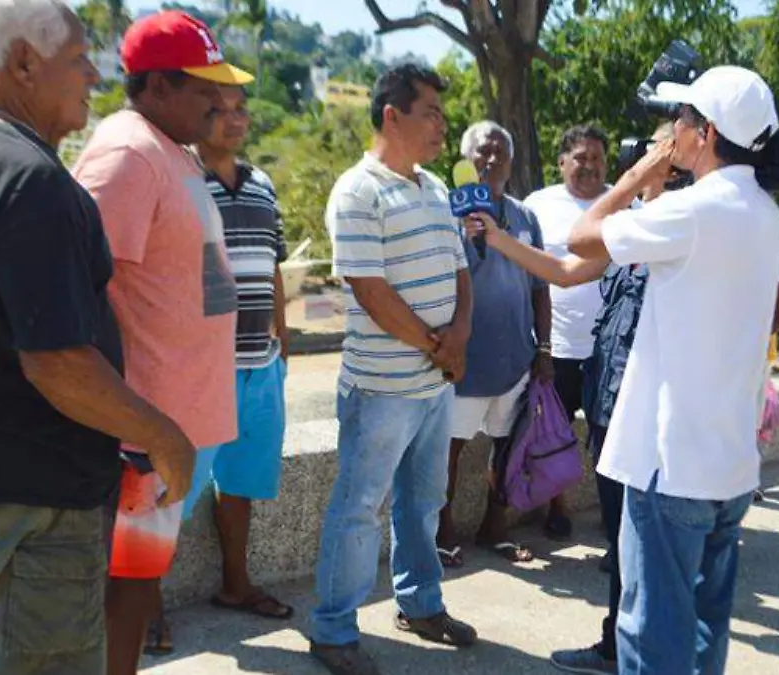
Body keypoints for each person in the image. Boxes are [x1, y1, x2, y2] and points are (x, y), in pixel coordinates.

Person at [0, 0, 195, 672]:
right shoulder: (31, 180)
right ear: (24, 62)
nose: (94, 77)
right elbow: (57, 363)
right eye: (80, 60)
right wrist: (165, 436)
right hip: (26, 496)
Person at [565, 65, 779, 674]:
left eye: (681, 121)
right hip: (730, 464)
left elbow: (583, 238)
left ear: (706, 132)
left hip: (671, 467)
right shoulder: (766, 213)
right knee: (705, 626)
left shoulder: (692, 210)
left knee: (651, 632)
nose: (673, 132)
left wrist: (639, 174)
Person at [70, 10, 252, 674]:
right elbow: (82, 288)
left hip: (170, 429)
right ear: (155, 87)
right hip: (138, 436)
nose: (218, 101)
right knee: (125, 589)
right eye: (204, 88)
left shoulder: (167, 149)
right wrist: (125, 422)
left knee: (140, 583)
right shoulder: (126, 152)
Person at [310, 64, 477, 675]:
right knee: (359, 508)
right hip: (381, 389)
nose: (441, 124)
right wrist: (442, 347)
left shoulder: (434, 188)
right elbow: (371, 293)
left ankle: (421, 603)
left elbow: (462, 273)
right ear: (392, 115)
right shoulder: (358, 191)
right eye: (431, 111)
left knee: (424, 501)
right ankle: (332, 631)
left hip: (433, 387)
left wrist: (457, 336)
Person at [188, 82, 294, 620]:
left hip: (260, 365)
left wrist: (282, 342)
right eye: (217, 109)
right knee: (167, 492)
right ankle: (140, 607)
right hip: (199, 371)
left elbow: (272, 264)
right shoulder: (180, 180)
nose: (233, 119)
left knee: (240, 485)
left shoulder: (262, 185)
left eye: (239, 108)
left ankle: (236, 583)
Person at [436, 120, 554, 569]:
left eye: (499, 152)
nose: (491, 160)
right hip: (466, 362)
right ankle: (442, 531)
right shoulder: (448, 217)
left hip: (516, 360)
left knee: (507, 447)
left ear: (511, 159)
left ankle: (495, 524)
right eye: (482, 152)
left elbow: (542, 288)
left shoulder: (526, 218)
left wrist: (544, 350)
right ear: (466, 161)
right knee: (451, 449)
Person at [521, 124, 613, 541]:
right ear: (561, 163)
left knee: (607, 437)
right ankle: (556, 508)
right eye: (580, 157)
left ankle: (613, 518)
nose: (589, 166)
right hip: (553, 347)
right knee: (553, 434)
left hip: (609, 351)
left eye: (596, 158)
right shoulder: (537, 205)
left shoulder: (623, 204)